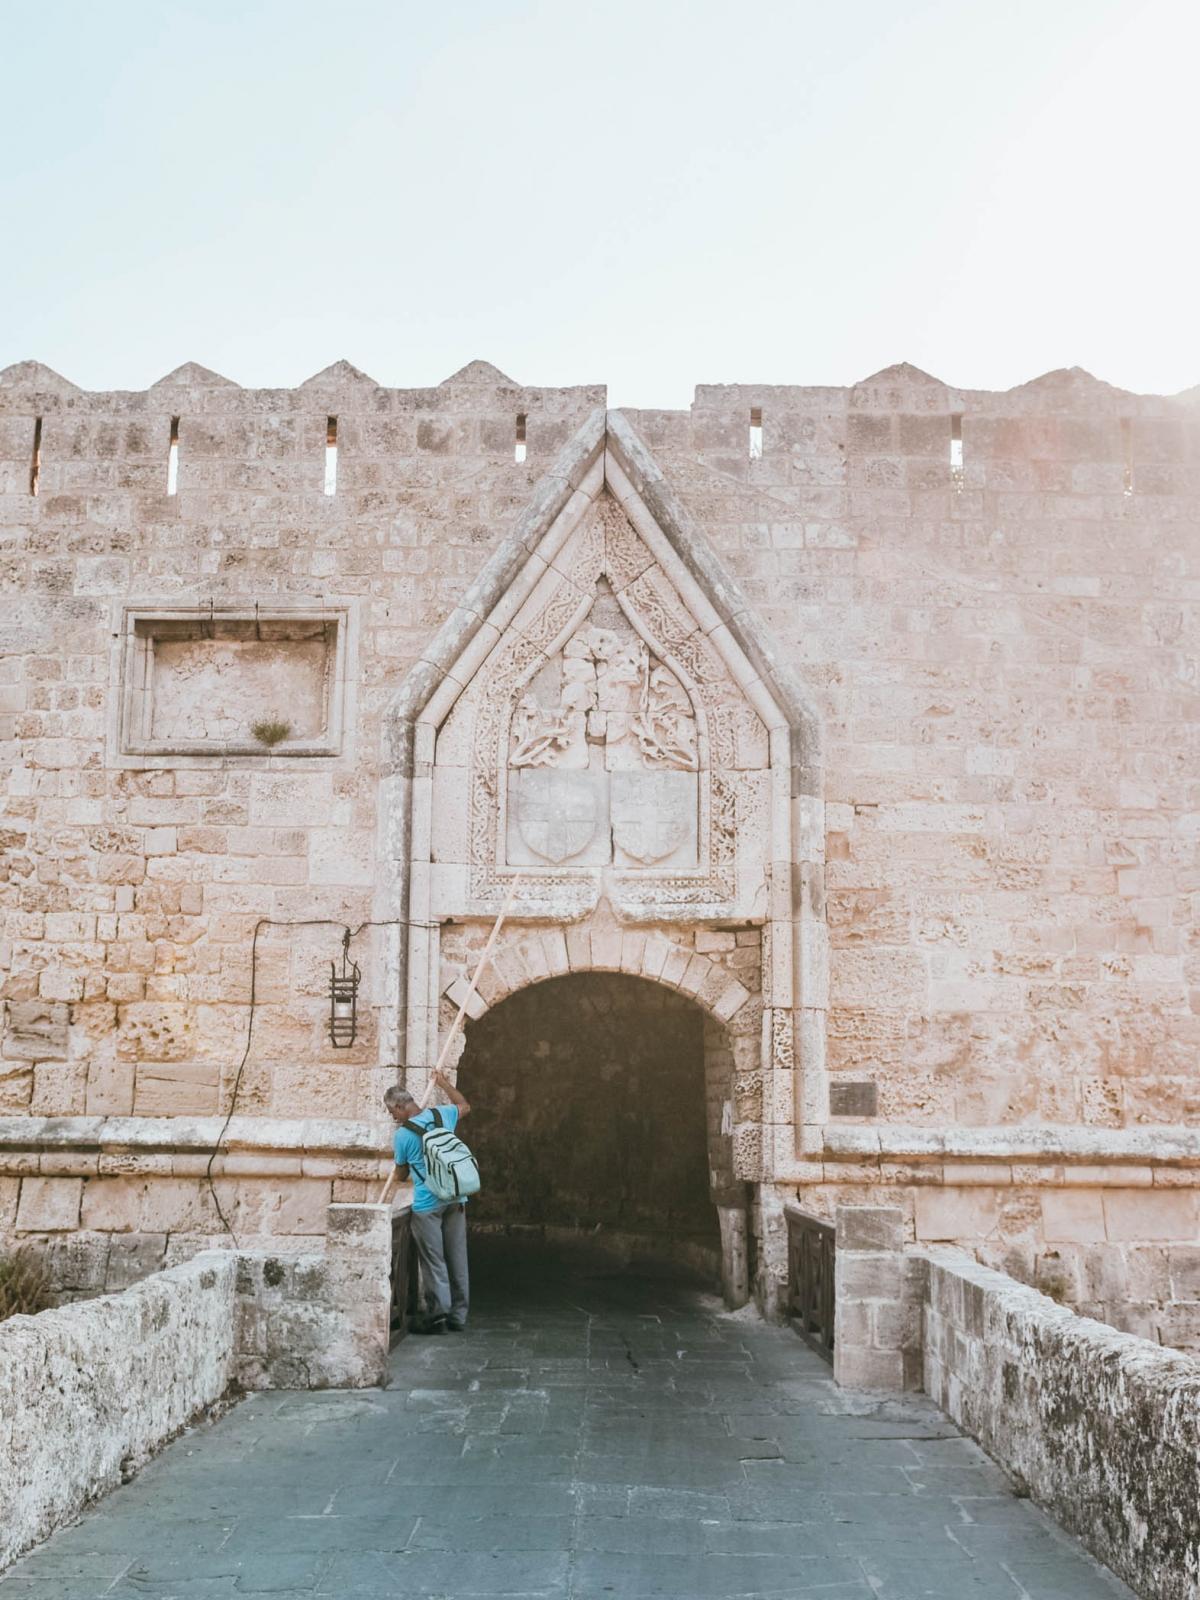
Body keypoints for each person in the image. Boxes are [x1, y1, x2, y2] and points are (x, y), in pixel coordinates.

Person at [384, 1070, 472, 1335]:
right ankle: (459, 1315)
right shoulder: (441, 1115)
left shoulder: (403, 1136)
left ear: (400, 1106)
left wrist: (401, 1166)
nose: (393, 1118)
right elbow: (465, 1106)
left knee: (434, 1260)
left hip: (428, 1204)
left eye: (392, 1113)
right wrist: (444, 1083)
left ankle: (438, 1314)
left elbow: (401, 1175)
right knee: (458, 1257)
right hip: (455, 1197)